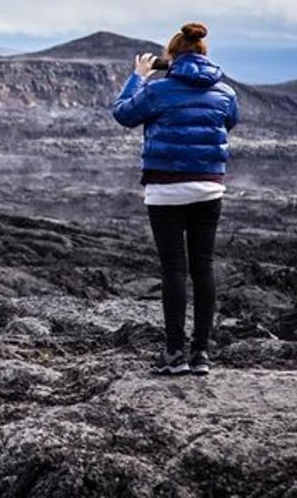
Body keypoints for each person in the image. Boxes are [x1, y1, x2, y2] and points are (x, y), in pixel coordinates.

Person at [112, 22, 239, 376]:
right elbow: (228, 123)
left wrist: (139, 76)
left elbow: (123, 114)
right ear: (203, 54)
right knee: (203, 267)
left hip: (165, 189)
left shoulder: (158, 90)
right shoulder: (225, 92)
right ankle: (201, 355)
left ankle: (174, 354)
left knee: (174, 271)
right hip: (209, 187)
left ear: (172, 57)